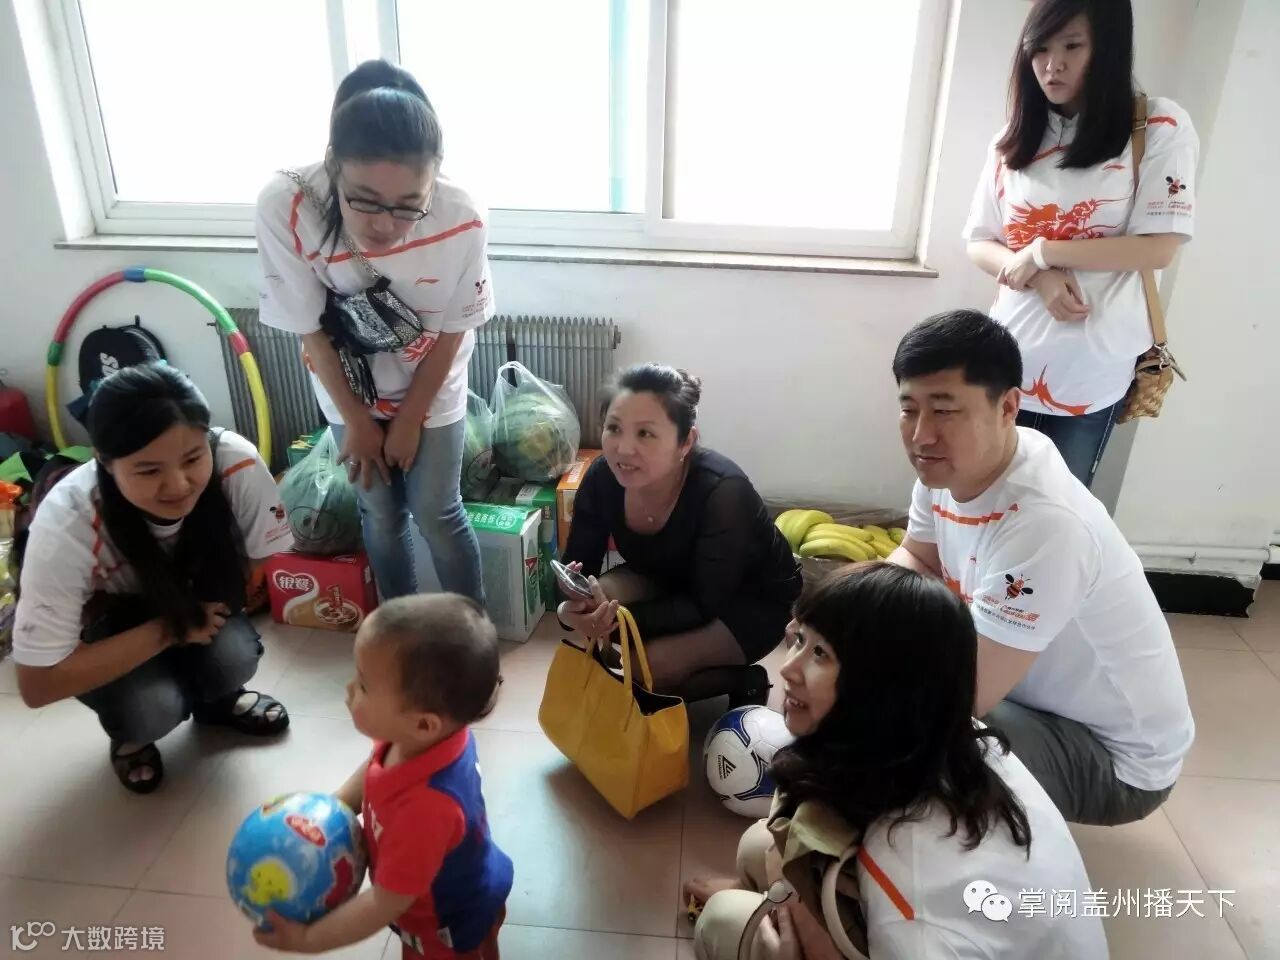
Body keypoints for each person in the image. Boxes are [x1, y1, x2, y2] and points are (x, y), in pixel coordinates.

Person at [686, 563, 1106, 959]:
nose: (789, 669)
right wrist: (785, 891)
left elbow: (912, 907)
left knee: (724, 918)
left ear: (879, 689)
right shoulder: (939, 731)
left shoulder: (911, 889)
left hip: (925, 925)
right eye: (800, 641)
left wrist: (793, 939)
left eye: (822, 654)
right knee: (761, 845)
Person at [890, 309, 1193, 826]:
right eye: (909, 409)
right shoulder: (954, 468)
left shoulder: (1046, 521)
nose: (921, 435)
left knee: (914, 735)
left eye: (944, 410)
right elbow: (917, 558)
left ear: (1008, 406)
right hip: (1029, 699)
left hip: (1114, 762)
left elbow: (965, 695)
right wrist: (845, 623)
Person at [255, 59, 491, 604]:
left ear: (433, 179)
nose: (386, 225)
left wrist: (411, 418)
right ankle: (397, 633)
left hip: (432, 378)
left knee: (436, 511)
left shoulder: (461, 216)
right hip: (348, 385)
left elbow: (454, 331)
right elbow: (309, 328)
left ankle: (471, 635)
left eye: (409, 206)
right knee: (379, 513)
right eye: (363, 200)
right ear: (333, 165)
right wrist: (357, 421)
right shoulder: (287, 205)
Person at [11, 364, 293, 793]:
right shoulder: (67, 523)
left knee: (233, 656)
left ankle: (218, 701)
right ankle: (132, 738)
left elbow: (259, 562)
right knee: (150, 708)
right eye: (148, 470)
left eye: (193, 458)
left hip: (200, 602)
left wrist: (213, 606)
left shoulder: (235, 463)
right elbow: (37, 683)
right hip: (114, 624)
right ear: (104, 462)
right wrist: (169, 630)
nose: (178, 485)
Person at [964, 0, 1198, 487]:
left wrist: (1044, 251)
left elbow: (1157, 247)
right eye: (1040, 49)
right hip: (1006, 363)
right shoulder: (1012, 140)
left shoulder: (1156, 126)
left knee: (1057, 512)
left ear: (1108, 48)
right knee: (983, 502)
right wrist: (1041, 277)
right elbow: (981, 242)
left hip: (1091, 374)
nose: (1052, 65)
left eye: (1072, 46)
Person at [254, 593, 512, 959]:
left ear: (423, 724)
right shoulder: (425, 737)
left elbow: (382, 904)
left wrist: (309, 939)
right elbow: (376, 764)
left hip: (445, 925)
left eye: (363, 685)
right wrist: (336, 804)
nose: (348, 688)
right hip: (442, 884)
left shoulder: (427, 810)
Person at [558, 364, 802, 703]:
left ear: (686, 441)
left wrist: (612, 621)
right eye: (614, 428)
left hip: (747, 600)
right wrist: (571, 610)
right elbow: (576, 570)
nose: (623, 449)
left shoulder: (723, 491)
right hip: (667, 578)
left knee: (647, 668)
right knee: (600, 598)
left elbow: (704, 603)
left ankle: (745, 679)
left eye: (645, 433)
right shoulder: (602, 477)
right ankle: (655, 663)